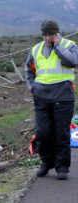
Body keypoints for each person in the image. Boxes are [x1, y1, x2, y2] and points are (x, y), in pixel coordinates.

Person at [25, 20, 78, 180]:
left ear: (57, 33)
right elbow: (29, 70)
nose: (48, 38)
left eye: (51, 34)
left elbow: (73, 61)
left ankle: (62, 167)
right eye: (46, 34)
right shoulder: (36, 49)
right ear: (42, 34)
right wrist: (32, 87)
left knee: (61, 133)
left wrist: (57, 45)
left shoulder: (69, 45)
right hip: (41, 97)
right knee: (42, 132)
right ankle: (46, 163)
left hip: (63, 96)